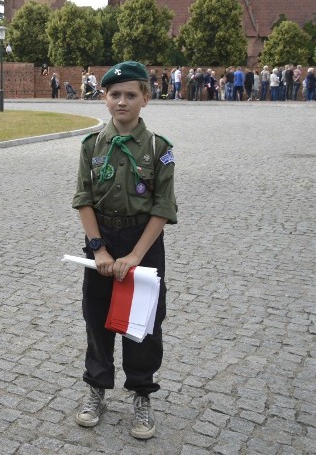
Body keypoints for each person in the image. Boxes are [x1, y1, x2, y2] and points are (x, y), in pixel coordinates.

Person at [72, 60, 177, 440]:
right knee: (97, 318)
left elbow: (163, 207)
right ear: (104, 98)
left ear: (145, 98)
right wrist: (98, 249)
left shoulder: (158, 148)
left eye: (130, 94)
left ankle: (142, 393)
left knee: (143, 325)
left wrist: (134, 256)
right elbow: (84, 197)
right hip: (102, 240)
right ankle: (96, 388)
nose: (122, 101)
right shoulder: (91, 145)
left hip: (143, 244)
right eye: (114, 94)